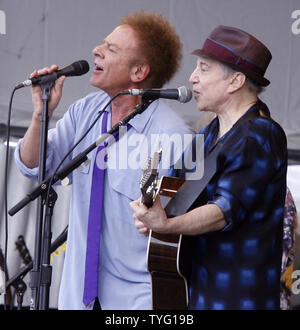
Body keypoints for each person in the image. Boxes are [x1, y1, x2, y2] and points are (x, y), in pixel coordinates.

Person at [14, 10, 193, 310]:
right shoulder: (85, 111)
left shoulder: (173, 136)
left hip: (136, 301)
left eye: (111, 49)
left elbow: (183, 228)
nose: (96, 50)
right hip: (77, 297)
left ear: (139, 72)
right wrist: (39, 113)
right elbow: (34, 166)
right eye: (102, 44)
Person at [130, 25, 288, 310]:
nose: (192, 78)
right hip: (197, 289)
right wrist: (150, 207)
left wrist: (167, 224)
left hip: (239, 296)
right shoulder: (207, 134)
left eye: (204, 68)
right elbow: (172, 186)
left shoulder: (260, 135)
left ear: (235, 81)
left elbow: (224, 211)